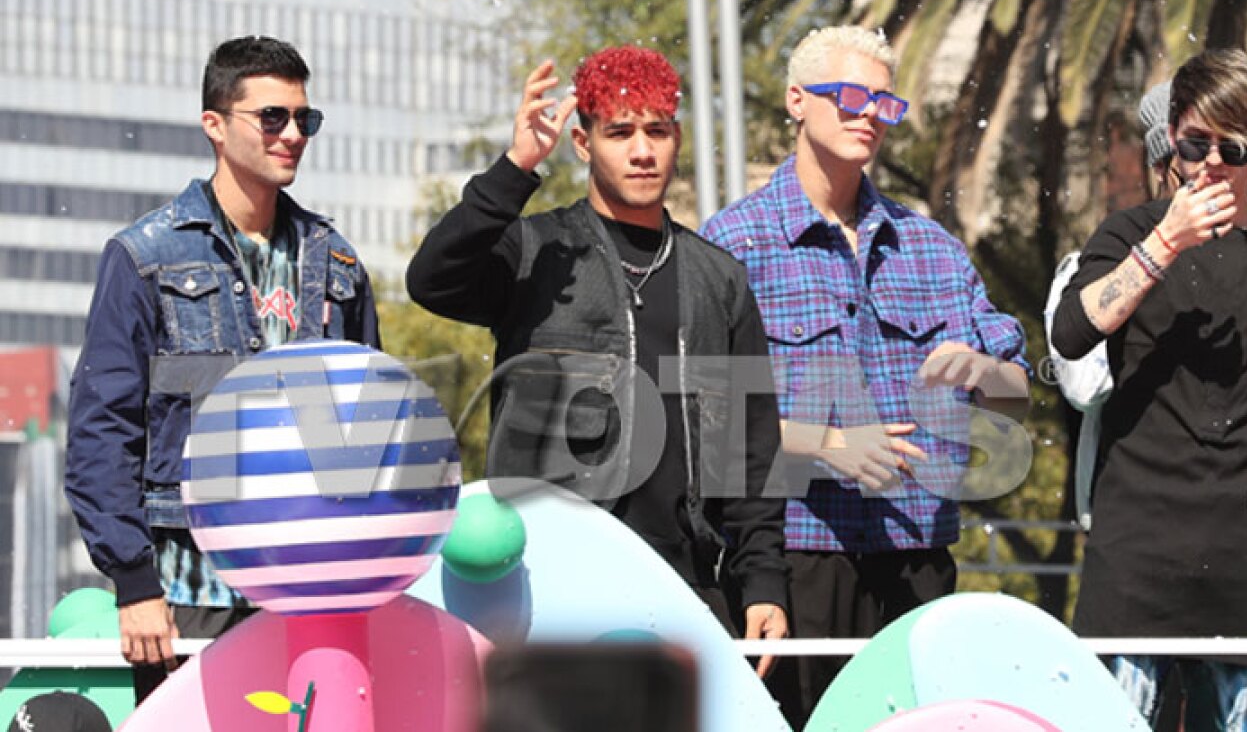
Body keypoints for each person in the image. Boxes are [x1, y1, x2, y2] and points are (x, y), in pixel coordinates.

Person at [405, 46, 790, 673]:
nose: (642, 151)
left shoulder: (720, 280)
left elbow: (748, 455)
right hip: (549, 585)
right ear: (583, 143)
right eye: (620, 132)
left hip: (684, 587)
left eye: (657, 131)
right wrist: (515, 168)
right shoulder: (536, 251)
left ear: (677, 138)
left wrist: (764, 580)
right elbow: (432, 279)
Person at [701, 25, 1031, 726]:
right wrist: (826, 444)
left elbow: (1019, 395)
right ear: (797, 100)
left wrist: (983, 370)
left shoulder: (932, 249)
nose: (869, 115)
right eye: (849, 96)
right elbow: (705, 418)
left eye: (885, 101)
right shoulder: (735, 243)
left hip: (920, 562)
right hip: (798, 560)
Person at [65, 36, 381, 702]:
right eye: (272, 117)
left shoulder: (340, 265)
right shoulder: (144, 256)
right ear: (214, 123)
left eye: (304, 119)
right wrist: (135, 584)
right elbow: (100, 434)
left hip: (312, 595)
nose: (292, 133)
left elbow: (371, 433)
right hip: (187, 594)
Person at [1050, 49, 1247, 730]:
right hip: (1134, 564)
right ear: (1173, 135)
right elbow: (1071, 335)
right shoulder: (1126, 235)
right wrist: (1167, 241)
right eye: (1195, 142)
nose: (1212, 161)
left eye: (1234, 147)